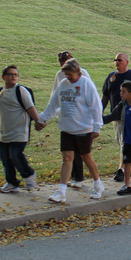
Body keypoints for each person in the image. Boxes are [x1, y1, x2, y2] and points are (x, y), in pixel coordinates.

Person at [36, 58, 104, 203]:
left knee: (86, 158)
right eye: (66, 75)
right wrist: (43, 118)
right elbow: (53, 105)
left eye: (70, 74)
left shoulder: (86, 84)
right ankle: (61, 192)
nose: (68, 77)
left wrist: (97, 126)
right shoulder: (63, 85)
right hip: (67, 129)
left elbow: (95, 106)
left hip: (83, 128)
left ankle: (98, 185)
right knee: (67, 159)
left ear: (78, 72)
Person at [0, 65, 41, 194]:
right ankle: (12, 183)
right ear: (3, 77)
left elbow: (31, 108)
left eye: (16, 74)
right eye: (10, 74)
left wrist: (38, 121)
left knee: (15, 155)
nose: (13, 77)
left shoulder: (21, 91)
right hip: (4, 132)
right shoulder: (0, 93)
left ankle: (29, 175)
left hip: (20, 132)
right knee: (5, 159)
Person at [100, 52, 131, 182]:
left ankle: (121, 169)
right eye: (115, 60)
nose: (117, 62)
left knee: (125, 143)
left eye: (119, 60)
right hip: (117, 116)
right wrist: (99, 111)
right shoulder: (111, 77)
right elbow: (105, 96)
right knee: (122, 142)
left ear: (127, 61)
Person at [53, 51, 89, 188]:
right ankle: (72, 179)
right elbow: (55, 95)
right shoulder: (60, 75)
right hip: (67, 117)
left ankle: (82, 178)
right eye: (62, 63)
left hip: (80, 118)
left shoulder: (83, 75)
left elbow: (91, 97)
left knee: (82, 153)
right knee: (68, 152)